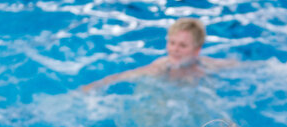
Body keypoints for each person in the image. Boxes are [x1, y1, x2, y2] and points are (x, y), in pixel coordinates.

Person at [81, 18, 237, 92]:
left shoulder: (207, 66)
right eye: (172, 43)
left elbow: (238, 66)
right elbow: (125, 76)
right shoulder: (161, 67)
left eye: (183, 45)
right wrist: (92, 87)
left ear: (197, 49)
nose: (175, 49)